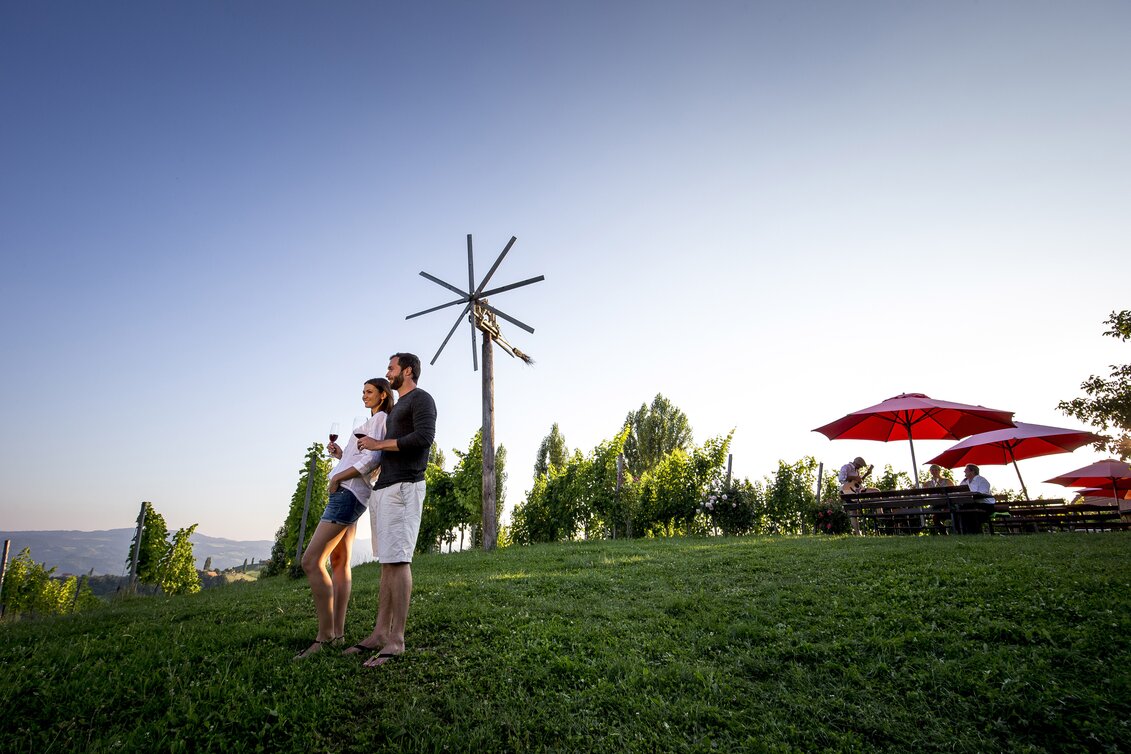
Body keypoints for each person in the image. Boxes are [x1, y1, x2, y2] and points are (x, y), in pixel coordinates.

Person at [294, 378, 394, 659]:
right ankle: (337, 634)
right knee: (339, 562)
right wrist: (341, 455)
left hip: (347, 494)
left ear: (383, 395)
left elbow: (373, 459)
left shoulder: (381, 419)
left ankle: (324, 636)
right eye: (363, 392)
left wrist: (338, 477)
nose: (364, 395)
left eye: (369, 391)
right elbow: (359, 459)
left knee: (311, 561)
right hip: (353, 493)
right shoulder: (371, 421)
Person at [349, 352, 437, 667]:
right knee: (387, 564)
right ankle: (379, 634)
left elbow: (424, 438)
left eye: (391, 367)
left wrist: (379, 444)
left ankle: (396, 640)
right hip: (385, 487)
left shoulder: (421, 399)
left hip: (405, 487)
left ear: (407, 370)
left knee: (399, 561)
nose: (388, 373)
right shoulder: (397, 406)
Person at [957, 463, 996, 534]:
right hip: (971, 504)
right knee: (958, 509)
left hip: (986, 505)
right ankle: (963, 532)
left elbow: (981, 494)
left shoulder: (982, 480)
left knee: (966, 509)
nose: (964, 471)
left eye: (966, 470)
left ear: (972, 471)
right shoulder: (964, 481)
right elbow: (959, 493)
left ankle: (973, 532)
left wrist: (969, 495)